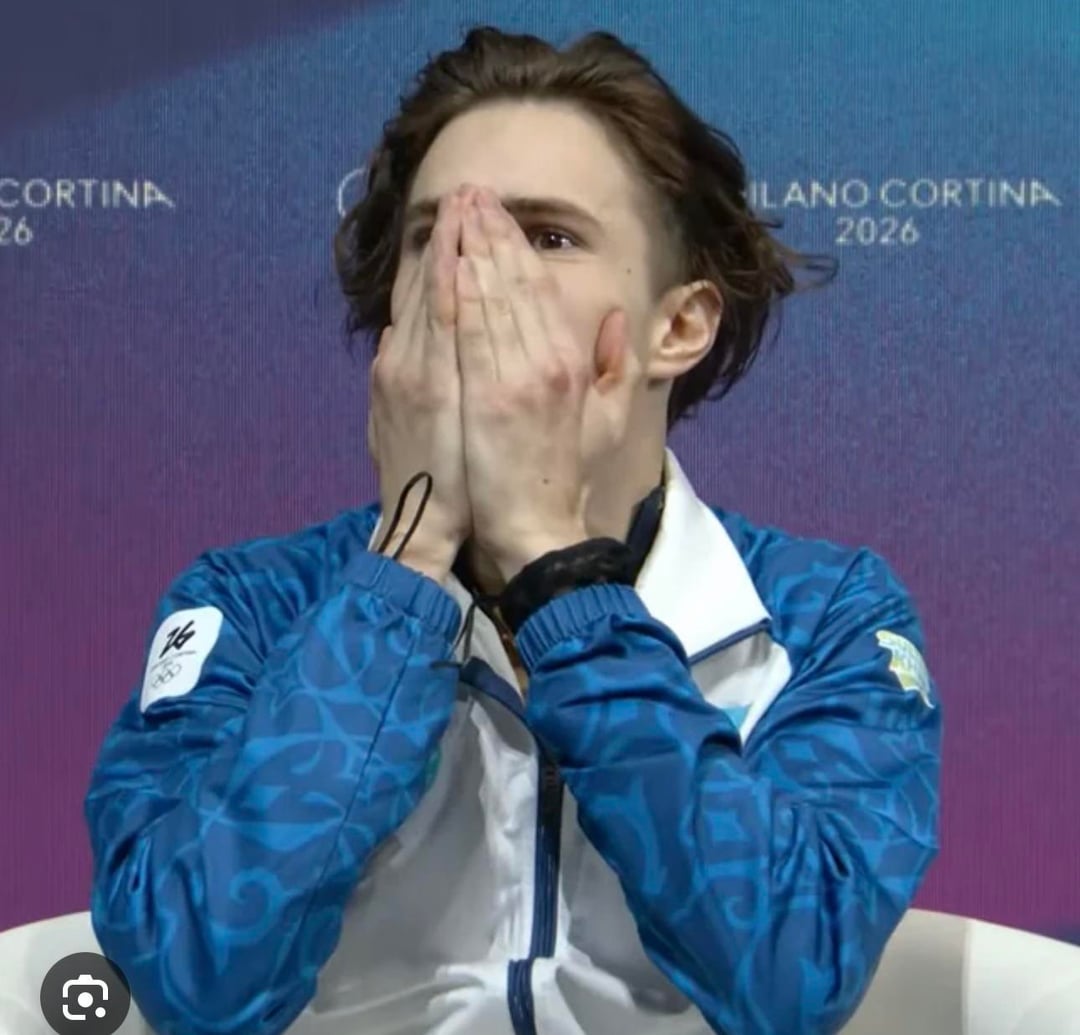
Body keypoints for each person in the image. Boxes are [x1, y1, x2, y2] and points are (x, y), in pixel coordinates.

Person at [84, 25, 941, 1035]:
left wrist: (556, 568)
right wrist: (405, 564)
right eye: (431, 238)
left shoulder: (825, 615)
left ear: (678, 325)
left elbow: (791, 979)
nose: (471, 279)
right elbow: (193, 978)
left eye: (547, 236)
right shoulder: (253, 602)